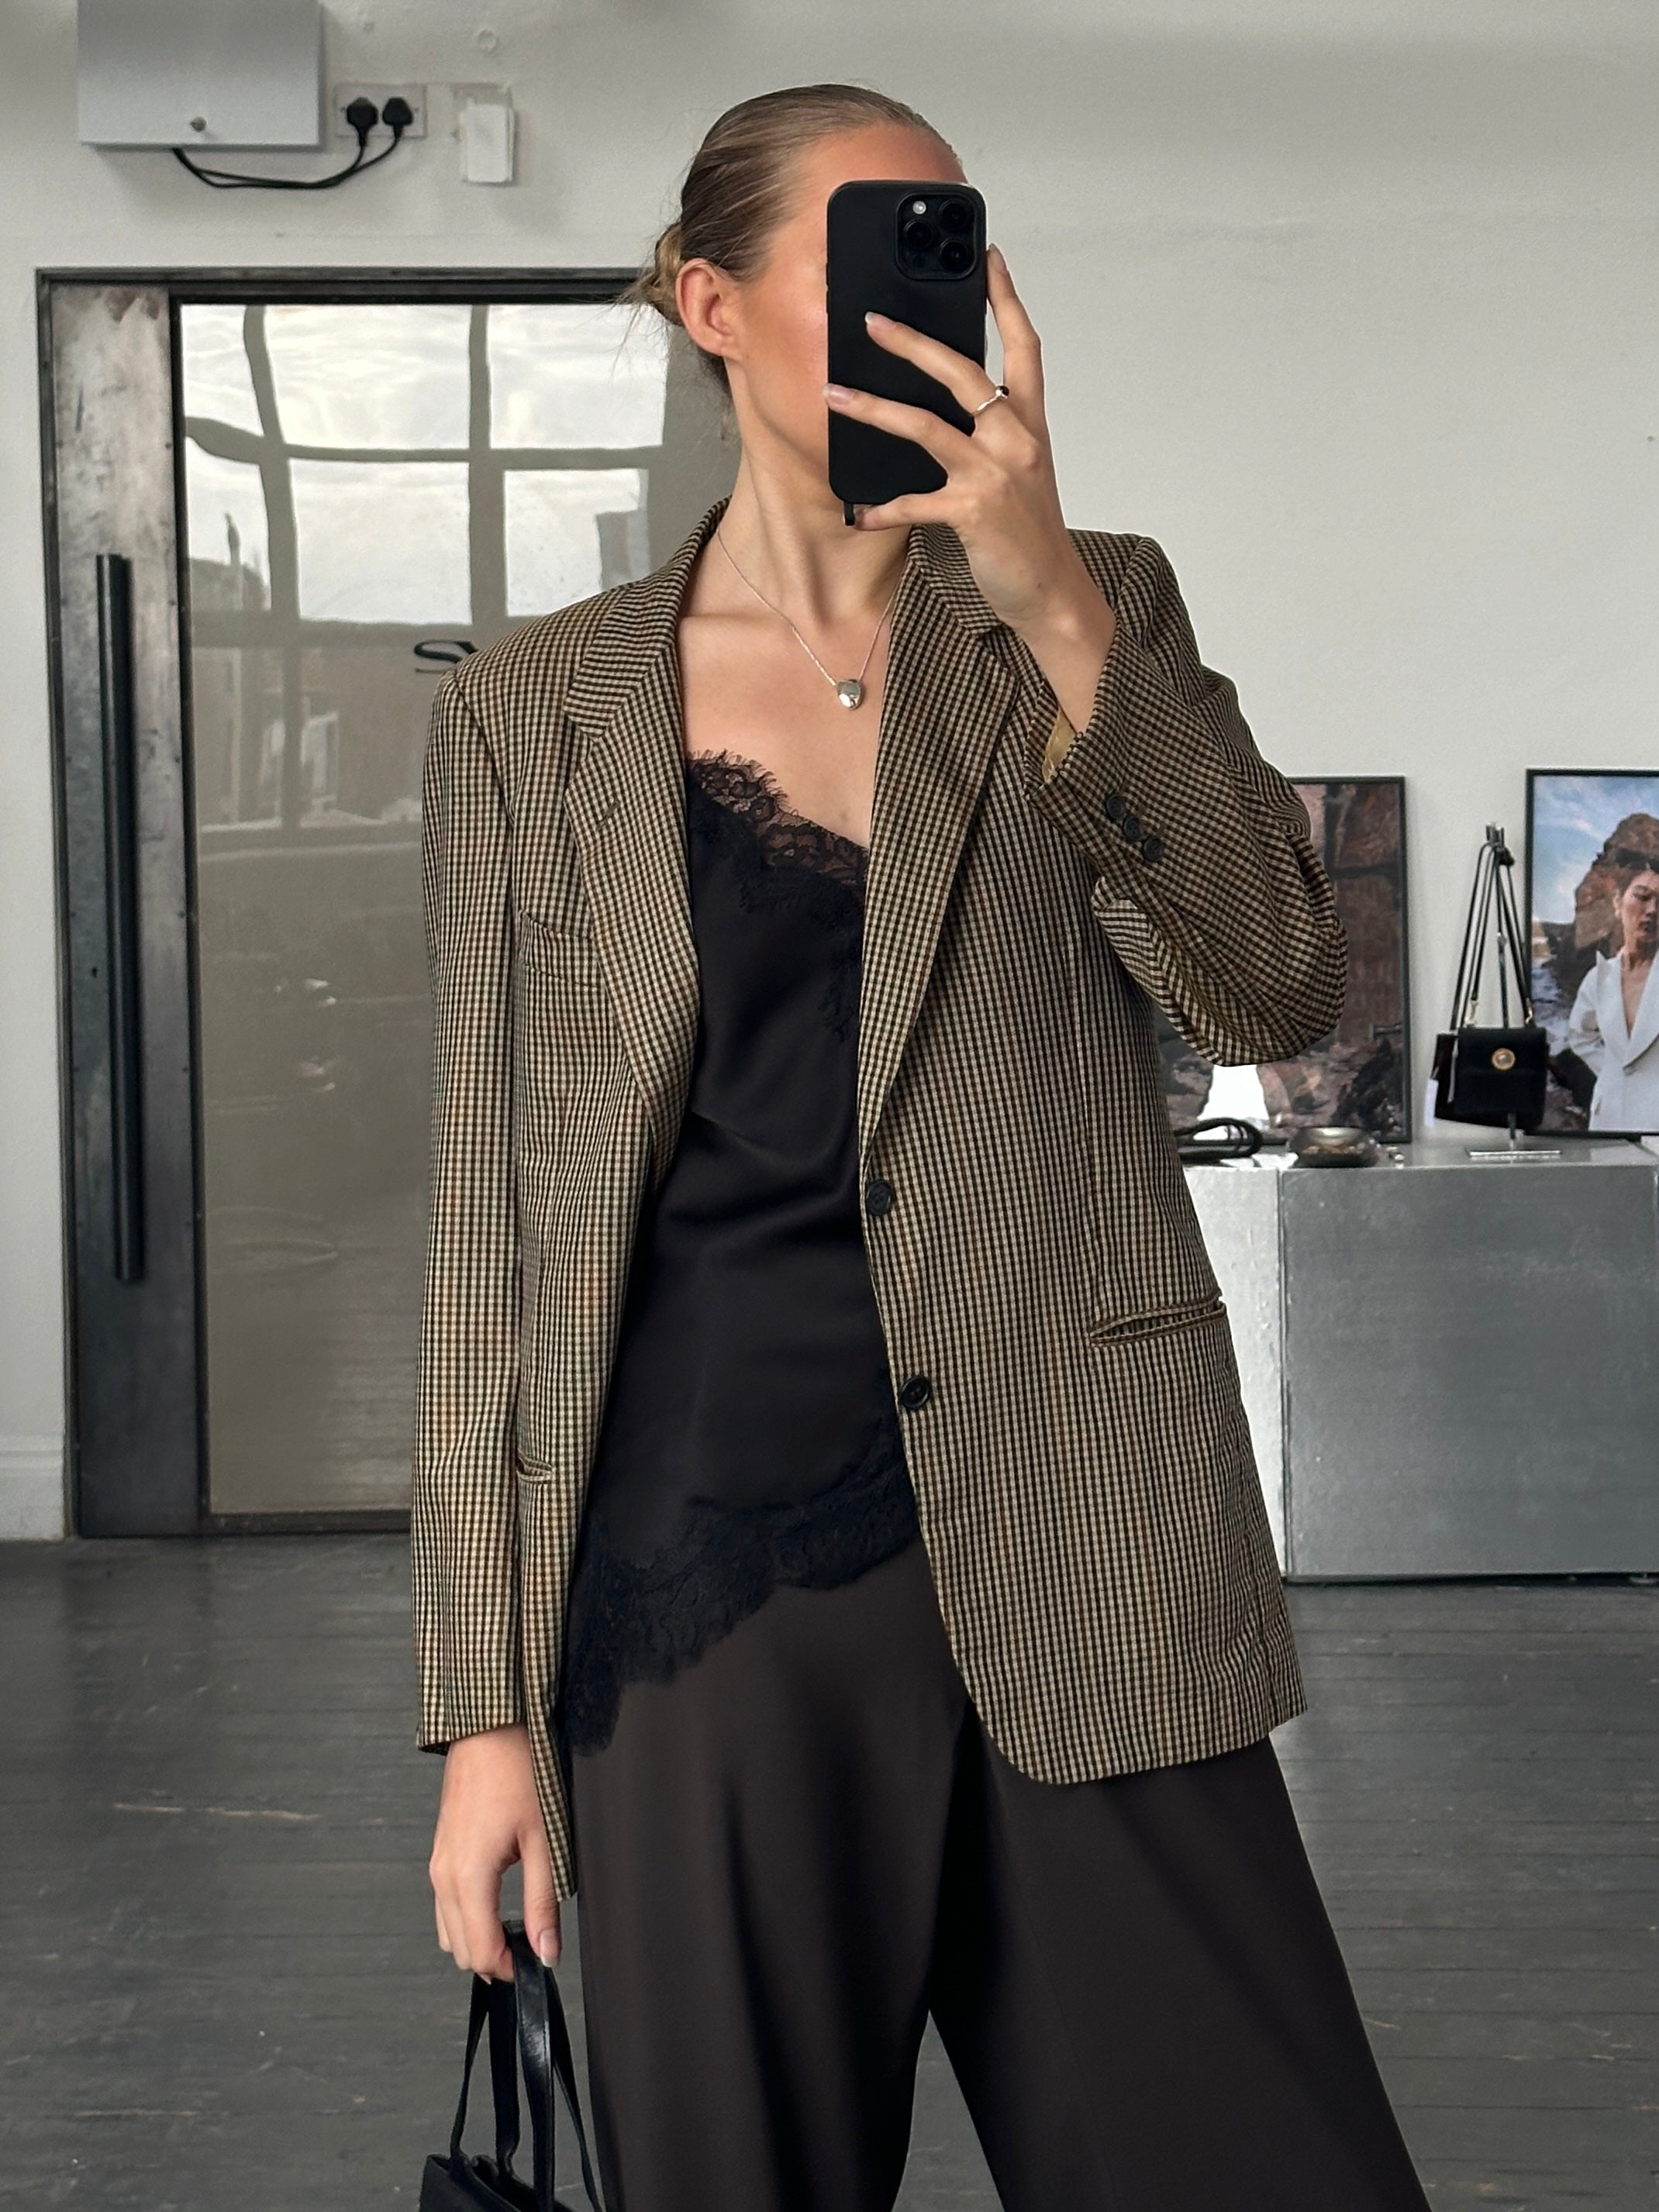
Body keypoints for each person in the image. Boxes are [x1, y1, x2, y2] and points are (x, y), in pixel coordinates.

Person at [415, 81, 1433, 2212]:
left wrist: (1044, 587)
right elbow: (492, 1233)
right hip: (700, 1583)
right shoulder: (535, 713)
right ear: (712, 305)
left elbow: (1272, 990)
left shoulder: (1088, 607)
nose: (927, 300)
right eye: (869, 248)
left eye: (950, 248)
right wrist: (482, 1714)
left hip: (1086, 1529)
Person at [1566, 864, 1659, 1131]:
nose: (1652, 910)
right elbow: (1580, 1035)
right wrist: (1613, 1071)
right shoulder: (1600, 976)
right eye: (1642, 897)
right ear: (1618, 903)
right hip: (1609, 1119)